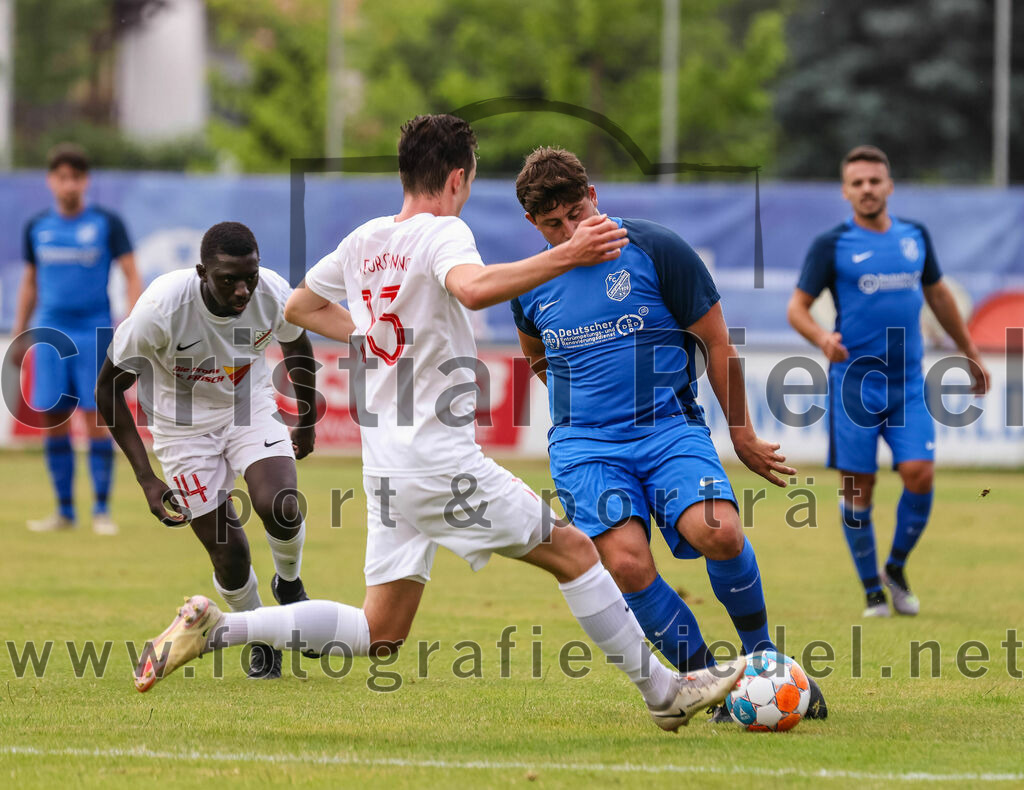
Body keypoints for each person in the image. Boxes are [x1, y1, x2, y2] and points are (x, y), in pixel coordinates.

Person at [132, 114, 745, 731]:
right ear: (459, 176)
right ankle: (664, 691)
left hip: (389, 466)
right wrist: (568, 254)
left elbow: (300, 306)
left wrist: (365, 333)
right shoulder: (444, 232)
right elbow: (474, 290)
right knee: (578, 553)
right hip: (439, 461)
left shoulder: (366, 239)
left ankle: (220, 626)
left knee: (381, 630)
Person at [510, 147, 825, 721]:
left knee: (721, 532)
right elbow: (537, 356)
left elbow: (718, 344)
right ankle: (715, 687)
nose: (569, 229)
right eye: (553, 224)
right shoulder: (530, 285)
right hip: (586, 446)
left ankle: (764, 660)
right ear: (533, 225)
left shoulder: (657, 249)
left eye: (576, 212)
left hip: (668, 428)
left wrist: (744, 435)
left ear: (595, 198)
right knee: (627, 565)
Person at [97, 221, 318, 679]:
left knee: (280, 502)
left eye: (249, 276)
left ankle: (290, 585)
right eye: (228, 280)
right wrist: (146, 478)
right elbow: (106, 391)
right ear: (202, 272)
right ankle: (263, 637)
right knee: (229, 552)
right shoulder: (161, 309)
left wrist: (307, 420)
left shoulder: (271, 292)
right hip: (181, 430)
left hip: (248, 407)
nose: (242, 291)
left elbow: (298, 347)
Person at [787, 145, 989, 617]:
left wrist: (970, 351)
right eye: (857, 183)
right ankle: (871, 591)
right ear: (845, 191)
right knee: (860, 489)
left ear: (889, 185)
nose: (867, 189)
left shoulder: (914, 237)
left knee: (920, 474)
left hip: (907, 385)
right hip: (854, 385)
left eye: (874, 181)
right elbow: (796, 307)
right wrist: (822, 337)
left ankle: (894, 569)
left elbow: (938, 295)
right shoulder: (831, 244)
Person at [11, 143, 142, 535]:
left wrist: (135, 324)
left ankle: (101, 511)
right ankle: (64, 511)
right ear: (51, 181)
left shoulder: (106, 223)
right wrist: (20, 333)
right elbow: (30, 282)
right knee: (53, 417)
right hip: (51, 331)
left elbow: (132, 273)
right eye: (61, 177)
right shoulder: (38, 226)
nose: (68, 184)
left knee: (97, 417)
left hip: (95, 329)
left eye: (75, 177)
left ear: (85, 181)